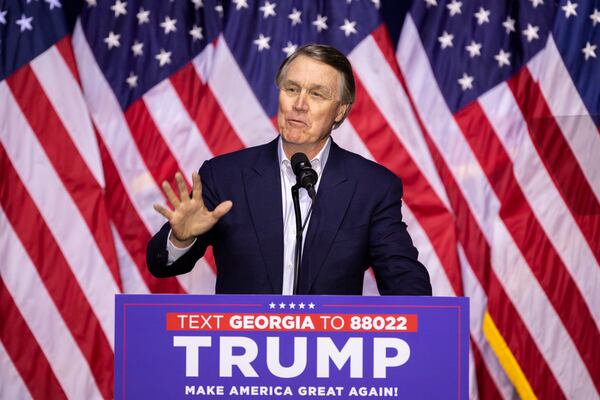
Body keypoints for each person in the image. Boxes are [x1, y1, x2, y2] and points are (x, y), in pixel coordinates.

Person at [146, 44, 432, 296]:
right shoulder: (225, 176)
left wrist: (423, 325)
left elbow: (405, 282)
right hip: (241, 350)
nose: (299, 104)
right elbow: (161, 265)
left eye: (317, 94)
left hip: (332, 352)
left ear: (340, 111)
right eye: (292, 89)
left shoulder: (371, 187)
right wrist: (181, 238)